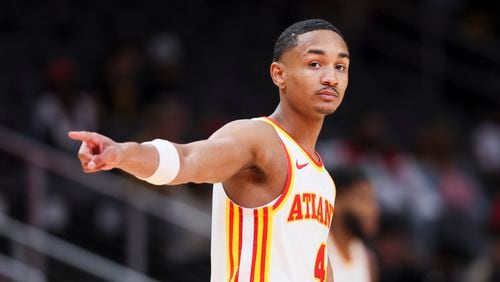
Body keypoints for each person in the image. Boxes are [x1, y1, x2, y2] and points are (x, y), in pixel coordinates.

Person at [69, 19, 350, 282]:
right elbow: (188, 158)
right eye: (315, 63)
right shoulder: (258, 137)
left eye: (340, 67)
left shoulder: (323, 180)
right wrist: (123, 153)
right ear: (279, 74)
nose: (331, 77)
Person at [327, 167, 378, 282]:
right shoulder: (317, 250)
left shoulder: (367, 258)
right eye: (362, 199)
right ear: (336, 202)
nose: (372, 210)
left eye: (372, 201)